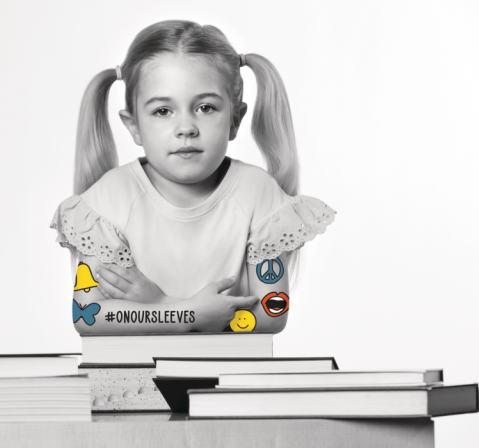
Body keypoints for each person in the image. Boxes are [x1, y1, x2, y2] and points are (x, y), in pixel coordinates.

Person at [51, 20, 335, 335]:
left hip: (231, 379)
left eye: (205, 107)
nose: (186, 127)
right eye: (162, 111)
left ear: (235, 119)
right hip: (132, 381)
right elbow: (88, 316)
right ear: (133, 127)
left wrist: (161, 305)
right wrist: (184, 313)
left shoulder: (258, 195)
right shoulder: (110, 200)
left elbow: (271, 314)